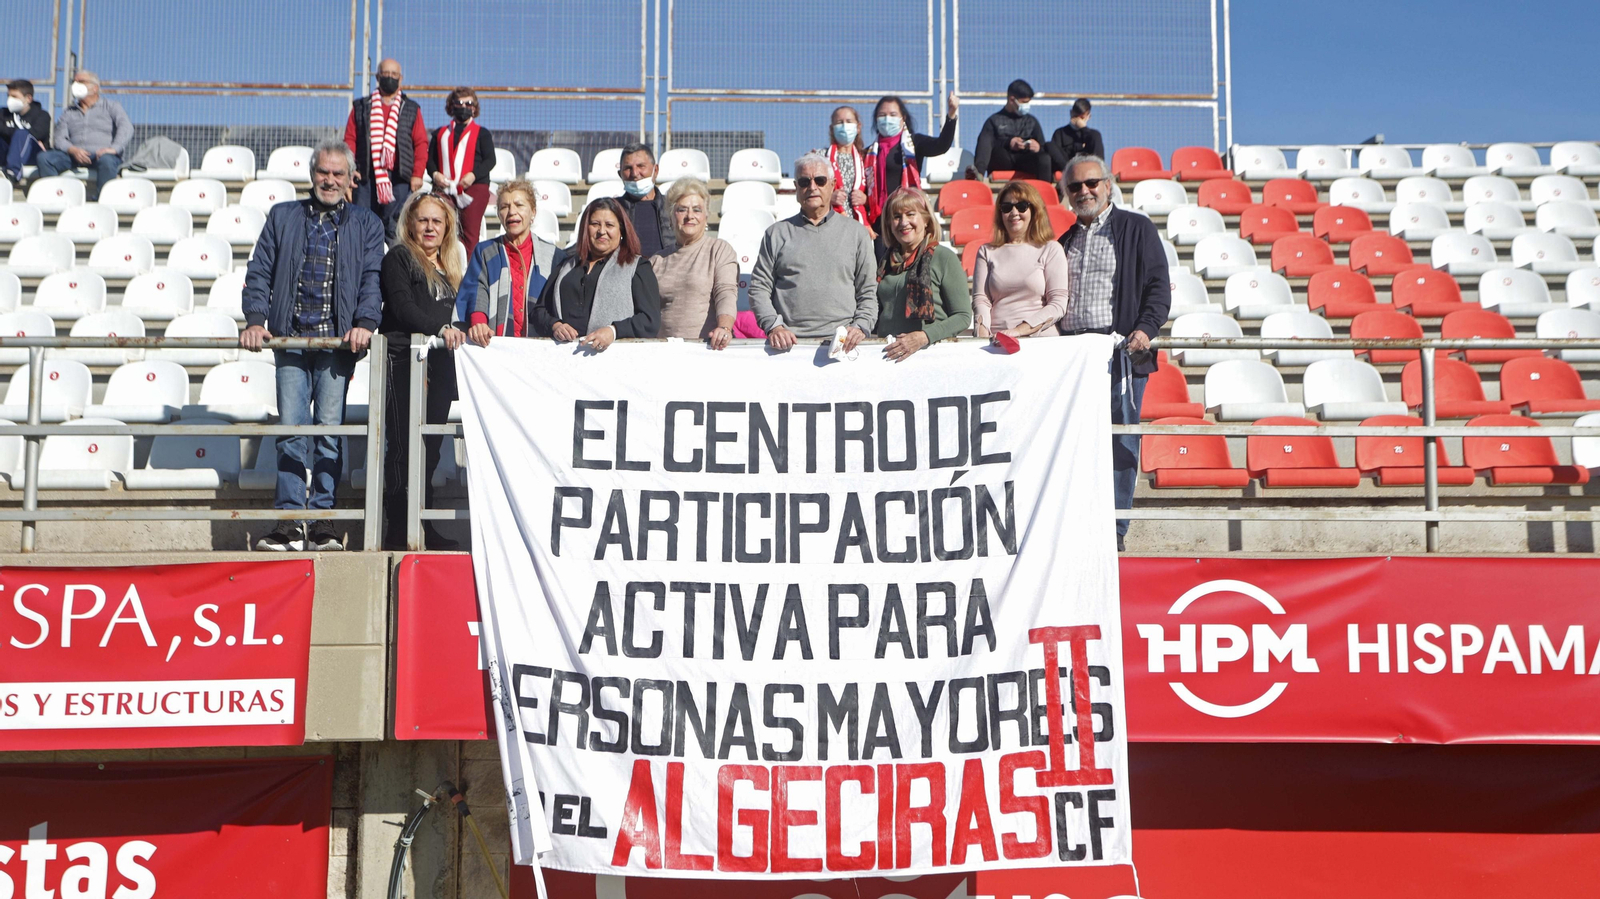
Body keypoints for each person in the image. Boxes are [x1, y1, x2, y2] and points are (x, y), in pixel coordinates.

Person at [241, 140, 386, 552]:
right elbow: (260, 271)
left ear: (350, 178)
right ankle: (288, 523)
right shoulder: (283, 216)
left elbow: (371, 278)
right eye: (324, 172)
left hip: (336, 344)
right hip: (289, 340)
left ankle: (323, 521)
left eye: (338, 174)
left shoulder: (366, 223)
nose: (330, 180)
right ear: (312, 174)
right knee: (290, 433)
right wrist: (255, 319)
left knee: (328, 433)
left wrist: (364, 322)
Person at [1056, 155, 1171, 551]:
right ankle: (1076, 530)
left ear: (1108, 184)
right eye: (1075, 187)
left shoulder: (1136, 228)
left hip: (1121, 355)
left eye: (1091, 183)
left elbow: (1158, 286)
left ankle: (1114, 533)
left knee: (1119, 444)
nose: (1084, 191)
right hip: (1072, 361)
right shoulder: (1063, 242)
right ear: (1066, 193)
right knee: (1072, 444)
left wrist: (1146, 328)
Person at [380, 192, 466, 550]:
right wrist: (442, 330)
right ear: (410, 224)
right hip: (405, 363)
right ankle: (398, 533)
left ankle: (423, 527)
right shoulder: (400, 258)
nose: (430, 227)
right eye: (423, 220)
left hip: (439, 367)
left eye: (437, 221)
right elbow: (402, 308)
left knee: (429, 449)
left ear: (447, 227)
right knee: (403, 448)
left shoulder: (451, 267)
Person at [748, 152, 877, 352]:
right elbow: (759, 288)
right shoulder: (775, 234)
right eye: (804, 181)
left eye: (820, 180)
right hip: (788, 348)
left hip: (843, 346)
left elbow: (868, 291)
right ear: (796, 188)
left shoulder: (857, 233)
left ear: (833, 184)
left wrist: (859, 327)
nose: (812, 187)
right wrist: (774, 326)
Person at [532, 197, 661, 349]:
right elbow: (538, 311)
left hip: (614, 362)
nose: (601, 231)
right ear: (585, 229)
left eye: (609, 225)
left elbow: (649, 320)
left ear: (621, 230)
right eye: (595, 224)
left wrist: (614, 331)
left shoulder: (638, 267)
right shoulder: (566, 267)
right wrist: (554, 325)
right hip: (564, 362)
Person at [458, 180, 562, 344]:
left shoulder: (554, 255)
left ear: (533, 212)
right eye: (504, 207)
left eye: (519, 205)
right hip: (495, 347)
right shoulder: (484, 252)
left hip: (541, 348)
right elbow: (475, 289)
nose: (511, 211)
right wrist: (479, 322)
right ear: (499, 214)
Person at [873, 188, 971, 361]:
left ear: (926, 219)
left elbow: (962, 316)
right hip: (887, 357)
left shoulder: (944, 257)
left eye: (910, 214)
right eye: (896, 217)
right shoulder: (884, 262)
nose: (904, 222)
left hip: (930, 357)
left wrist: (923, 337)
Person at [972, 181, 1070, 339]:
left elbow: (1058, 304)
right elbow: (981, 300)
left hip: (1039, 341)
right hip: (997, 341)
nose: (1014, 212)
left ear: (1034, 210)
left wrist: (1019, 330)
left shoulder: (1051, 249)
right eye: (1006, 207)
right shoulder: (986, 251)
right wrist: (982, 330)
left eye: (1022, 206)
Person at [343, 59, 427, 240]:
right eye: (386, 74)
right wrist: (349, 170)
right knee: (362, 224)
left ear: (401, 79)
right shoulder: (361, 107)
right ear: (378, 76)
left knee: (395, 227)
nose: (390, 77)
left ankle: (393, 266)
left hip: (399, 177)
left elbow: (420, 143)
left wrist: (417, 173)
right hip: (365, 176)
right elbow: (350, 139)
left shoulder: (411, 108)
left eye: (394, 74)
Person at [651, 178, 737, 347]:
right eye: (682, 209)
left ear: (706, 217)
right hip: (663, 351)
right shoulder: (657, 260)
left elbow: (726, 292)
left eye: (697, 210)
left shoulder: (719, 250)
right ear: (671, 216)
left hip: (706, 350)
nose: (689, 216)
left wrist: (724, 327)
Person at [864, 93, 959, 232]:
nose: (887, 119)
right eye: (882, 115)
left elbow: (941, 146)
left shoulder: (913, 143)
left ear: (903, 119)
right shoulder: (869, 153)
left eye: (893, 114)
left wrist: (951, 115)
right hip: (882, 221)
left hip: (908, 216)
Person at [32, 71, 131, 200]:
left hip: (101, 156)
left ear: (95, 88)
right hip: (73, 156)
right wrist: (72, 150)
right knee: (44, 158)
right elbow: (59, 138)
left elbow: (126, 127)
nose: (75, 85)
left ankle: (103, 200)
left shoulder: (112, 106)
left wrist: (113, 149)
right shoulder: (69, 112)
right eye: (74, 82)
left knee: (107, 161)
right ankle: (55, 197)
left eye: (81, 82)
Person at [428, 87, 494, 255]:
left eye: (469, 103)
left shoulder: (482, 134)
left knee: (470, 234)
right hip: (445, 187)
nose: (464, 107)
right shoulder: (440, 133)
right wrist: (435, 175)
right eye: (459, 103)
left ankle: (468, 274)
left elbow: (490, 160)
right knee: (440, 226)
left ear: (475, 107)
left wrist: (473, 175)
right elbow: (430, 161)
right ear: (451, 106)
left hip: (474, 188)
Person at [972, 79, 1050, 181]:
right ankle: (979, 175)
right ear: (1012, 100)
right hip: (1003, 160)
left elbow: (1043, 146)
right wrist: (1009, 143)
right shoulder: (994, 120)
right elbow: (985, 146)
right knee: (990, 144)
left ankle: (1046, 193)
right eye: (1024, 102)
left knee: (1044, 158)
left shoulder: (1032, 121)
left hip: (1025, 161)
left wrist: (1037, 147)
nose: (1027, 106)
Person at [616, 143, 675, 257]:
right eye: (628, 168)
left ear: (655, 170)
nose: (635, 173)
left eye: (641, 166)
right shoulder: (614, 210)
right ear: (620, 174)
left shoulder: (673, 208)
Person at [827, 106, 869, 227]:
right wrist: (829, 198)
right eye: (840, 122)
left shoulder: (867, 158)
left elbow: (877, 194)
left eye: (849, 122)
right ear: (832, 128)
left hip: (860, 225)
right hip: (832, 223)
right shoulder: (822, 157)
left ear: (858, 127)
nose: (845, 126)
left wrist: (866, 200)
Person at [2, 79, 50, 183]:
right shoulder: (3, 113)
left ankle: (12, 173)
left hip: (33, 154)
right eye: (8, 96)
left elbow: (37, 134)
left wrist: (9, 132)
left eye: (14, 96)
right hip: (8, 153)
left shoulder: (42, 115)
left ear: (28, 98)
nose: (10, 100)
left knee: (22, 134)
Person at [1048, 98, 1104, 175]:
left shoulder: (1093, 135)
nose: (1078, 120)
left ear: (1088, 116)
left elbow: (1096, 154)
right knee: (1049, 145)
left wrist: (1084, 129)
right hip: (1066, 165)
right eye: (1075, 116)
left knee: (1095, 135)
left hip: (1086, 165)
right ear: (1071, 113)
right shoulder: (1060, 132)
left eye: (1081, 118)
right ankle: (1070, 171)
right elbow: (1057, 156)